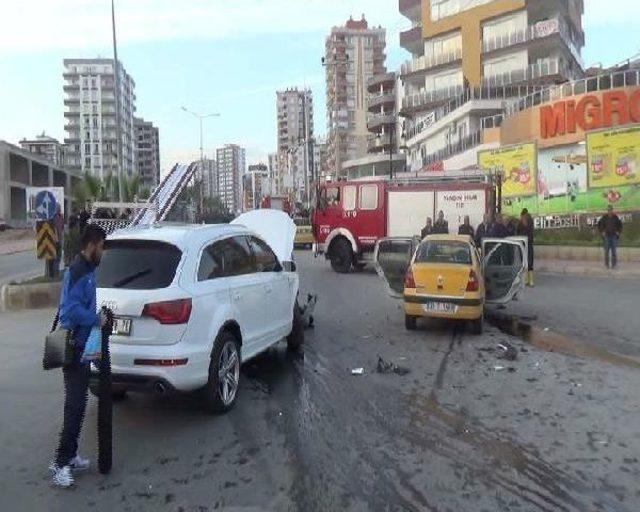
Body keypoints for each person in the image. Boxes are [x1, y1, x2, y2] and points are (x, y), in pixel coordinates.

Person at [51, 224, 108, 488]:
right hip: (73, 348)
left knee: (80, 403)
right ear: (93, 244)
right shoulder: (77, 271)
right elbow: (71, 311)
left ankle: (71, 456)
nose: (103, 252)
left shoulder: (86, 270)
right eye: (102, 247)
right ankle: (60, 464)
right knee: (74, 407)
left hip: (83, 348)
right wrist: (96, 319)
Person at [597, 205, 623, 269]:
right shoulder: (604, 217)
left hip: (614, 236)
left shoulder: (615, 217)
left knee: (614, 251)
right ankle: (607, 265)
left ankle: (614, 265)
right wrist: (602, 232)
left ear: (612, 210)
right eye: (608, 210)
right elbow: (599, 225)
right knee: (606, 251)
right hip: (607, 237)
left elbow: (620, 225)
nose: (609, 211)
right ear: (607, 210)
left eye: (610, 210)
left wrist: (618, 232)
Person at [517, 208, 535, 286]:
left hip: (526, 243)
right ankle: (528, 280)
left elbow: (519, 232)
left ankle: (529, 280)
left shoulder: (527, 222)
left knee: (528, 261)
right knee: (526, 261)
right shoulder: (524, 222)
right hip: (526, 244)